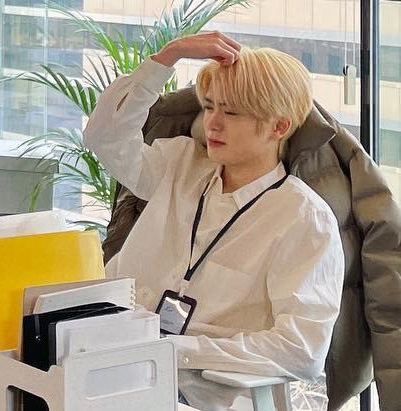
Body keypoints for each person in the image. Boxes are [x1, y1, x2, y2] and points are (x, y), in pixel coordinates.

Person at [83, 32, 345, 411]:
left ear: (279, 127)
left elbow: (301, 349)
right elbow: (104, 137)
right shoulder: (179, 166)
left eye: (232, 112)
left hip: (210, 395)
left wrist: (173, 350)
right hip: (116, 371)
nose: (213, 124)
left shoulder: (303, 219)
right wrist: (168, 57)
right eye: (209, 107)